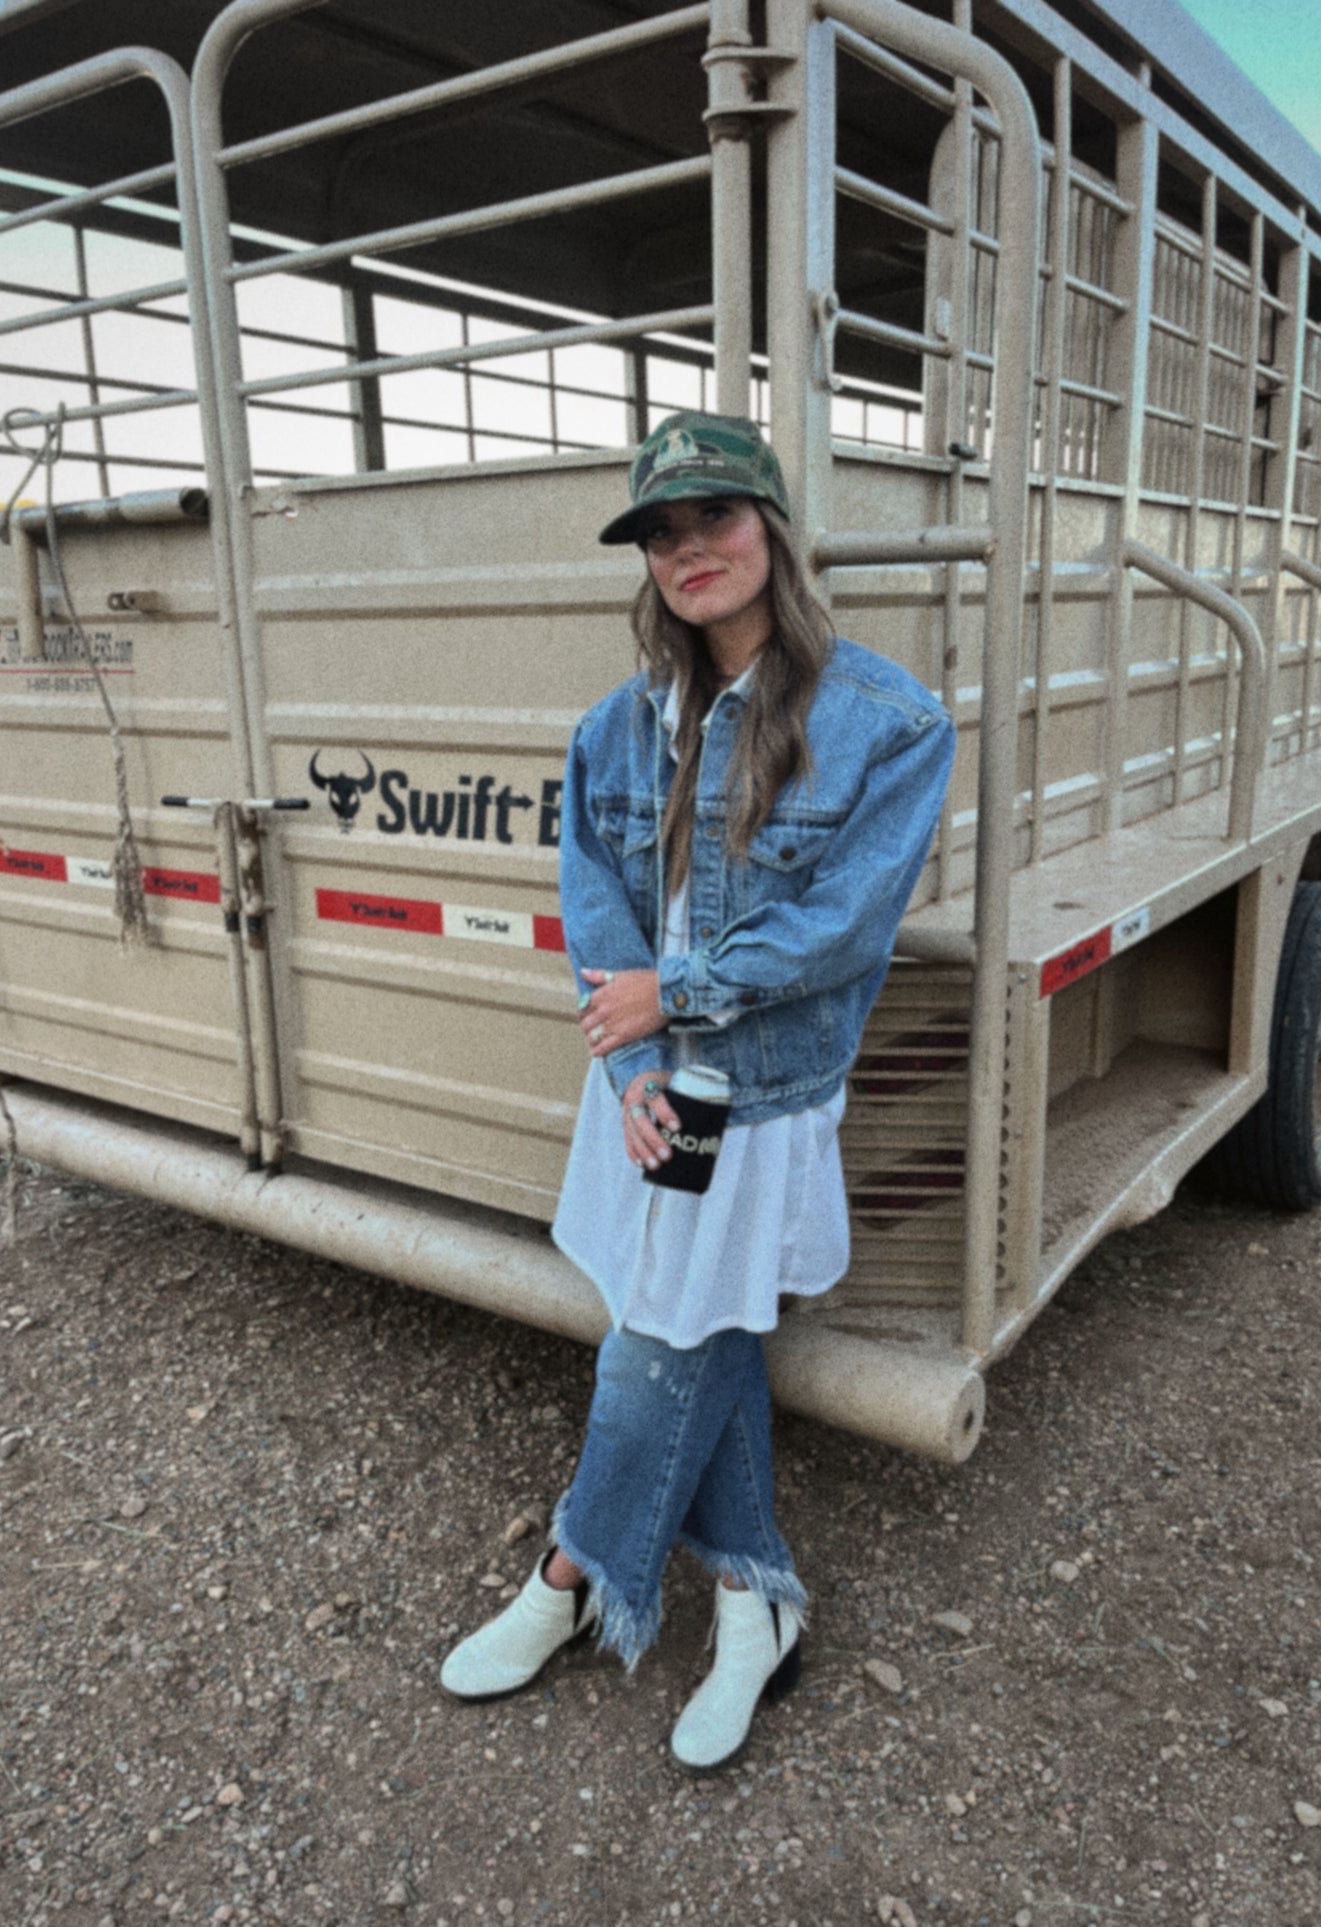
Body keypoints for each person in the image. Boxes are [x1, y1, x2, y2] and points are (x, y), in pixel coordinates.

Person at [440, 411, 954, 1770]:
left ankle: (571, 1578)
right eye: (662, 533)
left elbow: (844, 924)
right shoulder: (614, 728)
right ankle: (751, 1597)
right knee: (697, 1327)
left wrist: (675, 996)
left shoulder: (886, 722)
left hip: (765, 1093)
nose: (688, 550)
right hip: (651, 1088)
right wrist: (632, 1057)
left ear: (771, 532)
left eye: (713, 520)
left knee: (661, 1339)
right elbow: (593, 903)